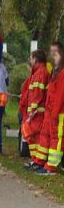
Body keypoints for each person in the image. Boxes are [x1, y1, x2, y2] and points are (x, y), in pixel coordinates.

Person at [32, 42, 64, 175]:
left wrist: (55, 113)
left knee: (56, 138)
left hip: (58, 112)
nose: (52, 56)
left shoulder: (62, 73)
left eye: (55, 53)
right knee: (48, 136)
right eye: (51, 53)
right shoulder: (55, 71)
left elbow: (60, 95)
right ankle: (44, 163)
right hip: (50, 111)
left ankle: (51, 167)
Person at [20, 50, 49, 168]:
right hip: (35, 113)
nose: (29, 60)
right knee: (32, 137)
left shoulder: (40, 73)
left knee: (36, 137)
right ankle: (35, 160)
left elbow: (37, 95)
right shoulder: (38, 72)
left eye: (31, 58)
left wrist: (32, 112)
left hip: (37, 113)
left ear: (36, 59)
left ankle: (38, 162)